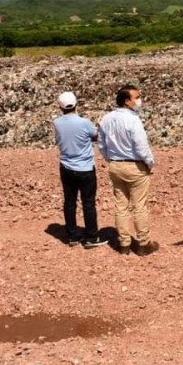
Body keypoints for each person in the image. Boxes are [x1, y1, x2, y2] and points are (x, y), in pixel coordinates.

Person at [98, 84, 159, 256]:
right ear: (127, 101)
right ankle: (143, 243)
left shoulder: (106, 118)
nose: (139, 100)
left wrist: (110, 158)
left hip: (115, 165)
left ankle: (124, 243)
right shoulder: (133, 120)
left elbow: (101, 144)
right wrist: (149, 162)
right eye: (136, 97)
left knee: (121, 206)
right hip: (134, 165)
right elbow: (141, 146)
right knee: (139, 206)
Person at [53, 91, 107, 248]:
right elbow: (95, 136)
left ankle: (72, 236)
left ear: (60, 107)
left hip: (66, 167)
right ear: (76, 104)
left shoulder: (57, 123)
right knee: (88, 203)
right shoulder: (84, 123)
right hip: (85, 168)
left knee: (70, 202)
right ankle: (91, 237)